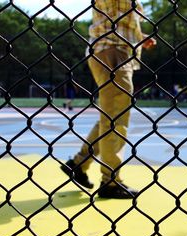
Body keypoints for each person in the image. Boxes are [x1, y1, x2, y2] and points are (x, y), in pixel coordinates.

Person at [60, 0, 156, 199]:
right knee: (116, 119)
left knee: (111, 117)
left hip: (113, 49)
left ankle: (79, 164)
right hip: (112, 50)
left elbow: (116, 19)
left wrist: (139, 37)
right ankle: (110, 182)